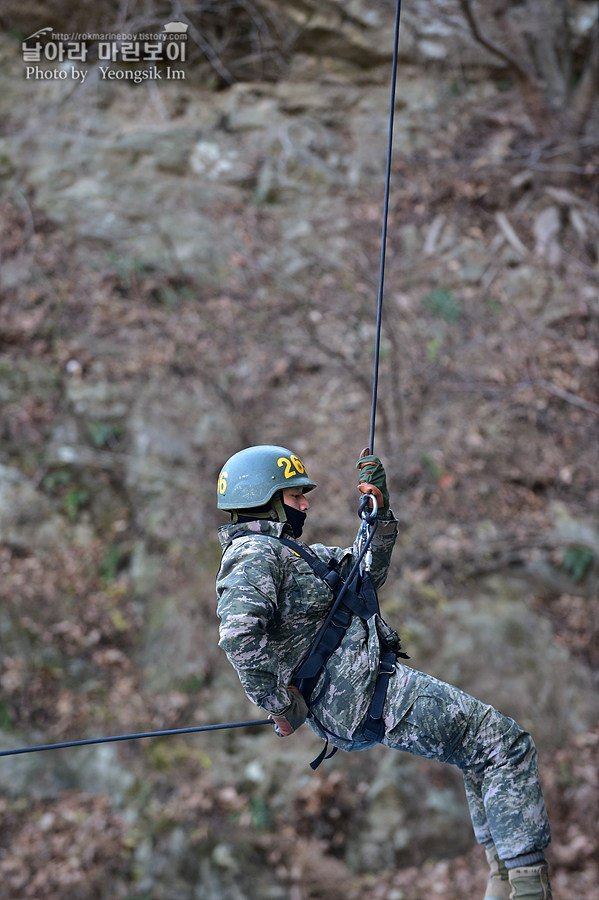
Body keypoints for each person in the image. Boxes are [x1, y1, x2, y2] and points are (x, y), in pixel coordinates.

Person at [215, 444, 553, 900]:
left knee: (481, 752)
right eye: (296, 497)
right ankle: (528, 889)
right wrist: (278, 703)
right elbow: (239, 637)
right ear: (266, 499)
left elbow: (363, 575)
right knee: (506, 745)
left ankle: (507, 882)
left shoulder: (291, 554)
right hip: (365, 692)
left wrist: (379, 513)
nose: (306, 504)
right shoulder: (255, 552)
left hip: (363, 693)